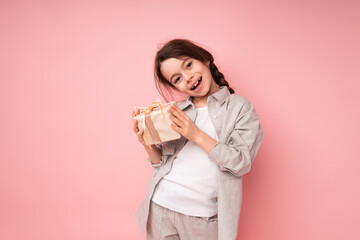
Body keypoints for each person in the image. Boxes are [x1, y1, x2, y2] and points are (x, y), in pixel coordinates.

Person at [132, 39, 264, 240]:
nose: (188, 77)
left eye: (188, 65)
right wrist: (147, 143)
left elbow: (241, 162)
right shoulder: (177, 112)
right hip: (160, 206)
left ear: (205, 59)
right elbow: (161, 164)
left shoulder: (239, 108)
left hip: (201, 218)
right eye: (177, 79)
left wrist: (196, 135)